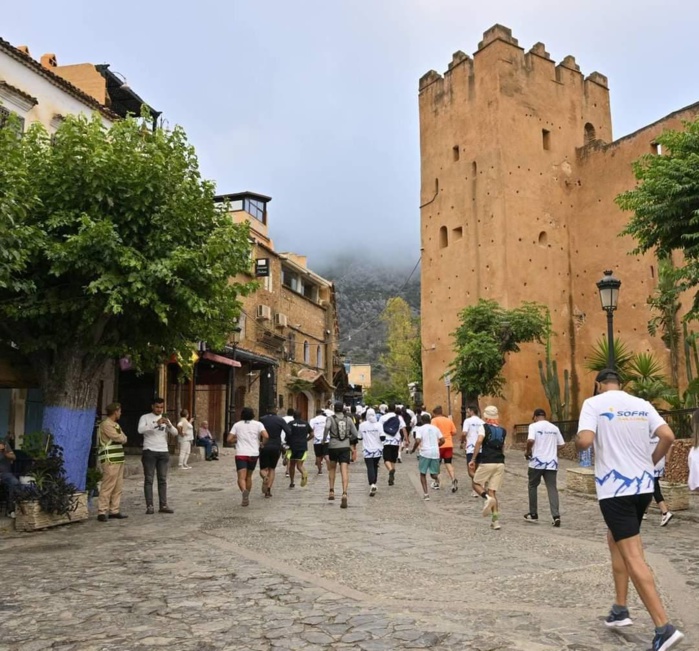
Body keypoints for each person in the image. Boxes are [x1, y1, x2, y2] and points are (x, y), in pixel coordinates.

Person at [576, 368, 684, 651]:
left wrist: (579, 442)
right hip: (643, 488)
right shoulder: (641, 404)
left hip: (615, 490)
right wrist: (650, 462)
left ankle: (664, 627)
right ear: (620, 384)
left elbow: (586, 441)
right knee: (615, 539)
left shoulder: (593, 403)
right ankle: (620, 609)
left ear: (599, 385)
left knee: (633, 555)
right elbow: (668, 436)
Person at [524, 408, 565, 526]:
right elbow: (562, 444)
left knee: (532, 485)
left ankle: (533, 513)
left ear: (535, 417)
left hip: (537, 462)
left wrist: (528, 451)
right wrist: (552, 450)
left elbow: (530, 439)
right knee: (552, 488)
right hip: (551, 462)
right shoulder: (554, 428)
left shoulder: (534, 426)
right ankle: (556, 516)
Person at [469, 405, 506, 530]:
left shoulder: (483, 427)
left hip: (487, 460)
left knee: (476, 483)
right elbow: (502, 447)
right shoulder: (502, 430)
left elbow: (479, 441)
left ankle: (487, 498)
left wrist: (473, 458)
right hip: (500, 462)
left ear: (486, 417)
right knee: (493, 490)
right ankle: (495, 521)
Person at [138, 398, 177, 515]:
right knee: (149, 479)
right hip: (150, 450)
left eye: (161, 407)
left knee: (162, 479)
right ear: (152, 407)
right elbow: (140, 430)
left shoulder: (165, 419)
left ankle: (163, 504)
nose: (159, 409)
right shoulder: (145, 417)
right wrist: (156, 424)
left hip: (163, 451)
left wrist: (169, 425)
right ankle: (149, 506)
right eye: (157, 407)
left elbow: (175, 433)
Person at [228, 407, 268, 506]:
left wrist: (236, 440)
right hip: (253, 453)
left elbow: (229, 439)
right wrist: (262, 444)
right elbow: (266, 436)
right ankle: (247, 495)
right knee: (249, 476)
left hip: (241, 453)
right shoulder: (258, 424)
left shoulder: (237, 425)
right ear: (253, 415)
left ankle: (244, 492)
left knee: (241, 477)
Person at [96, 402, 128, 522]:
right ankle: (102, 510)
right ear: (115, 411)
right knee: (108, 485)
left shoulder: (116, 425)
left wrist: (122, 438)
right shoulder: (106, 424)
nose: (120, 413)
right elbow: (119, 438)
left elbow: (124, 438)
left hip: (119, 458)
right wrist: (122, 438)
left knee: (117, 486)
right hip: (110, 458)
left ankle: (114, 509)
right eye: (119, 411)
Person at [324, 401, 358, 508]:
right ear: (343, 409)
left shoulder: (330, 418)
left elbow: (326, 427)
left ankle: (331, 491)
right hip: (344, 446)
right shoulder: (348, 419)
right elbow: (355, 434)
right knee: (344, 470)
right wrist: (348, 439)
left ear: (334, 409)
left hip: (333, 446)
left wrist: (324, 438)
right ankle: (344, 493)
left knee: (332, 468)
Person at [411, 413, 445, 501]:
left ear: (421, 421)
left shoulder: (420, 429)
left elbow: (418, 440)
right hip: (435, 452)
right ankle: (437, 478)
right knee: (433, 473)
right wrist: (437, 445)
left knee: (422, 473)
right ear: (430, 420)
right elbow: (443, 440)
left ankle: (426, 494)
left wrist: (414, 449)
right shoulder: (436, 428)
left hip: (425, 452)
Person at [259, 406, 291, 498]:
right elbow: (288, 432)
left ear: (267, 410)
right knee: (272, 468)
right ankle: (268, 490)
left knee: (263, 468)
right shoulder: (280, 420)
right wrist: (287, 443)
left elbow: (258, 431)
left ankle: (265, 476)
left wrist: (260, 442)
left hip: (264, 446)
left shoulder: (262, 419)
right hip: (276, 446)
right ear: (276, 411)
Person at [644, 431, 674, 526]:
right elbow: (670, 445)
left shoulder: (643, 431)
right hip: (659, 462)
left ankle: (665, 512)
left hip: (650, 462)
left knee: (654, 487)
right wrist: (667, 460)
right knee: (649, 487)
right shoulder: (660, 431)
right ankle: (644, 512)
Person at [431, 406, 458, 492]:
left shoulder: (434, 420)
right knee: (448, 463)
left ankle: (436, 482)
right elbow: (454, 432)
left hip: (438, 445)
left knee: (436, 464)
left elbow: (432, 431)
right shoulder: (448, 420)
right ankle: (453, 479)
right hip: (449, 444)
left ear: (435, 413)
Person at [379, 403, 407, 487]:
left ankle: (390, 470)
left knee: (386, 459)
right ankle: (392, 474)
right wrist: (406, 439)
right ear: (395, 409)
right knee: (393, 459)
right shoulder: (399, 417)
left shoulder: (383, 417)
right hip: (396, 441)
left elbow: (379, 429)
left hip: (386, 441)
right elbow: (404, 429)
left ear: (387, 409)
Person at [358, 408, 384, 496]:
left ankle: (372, 483)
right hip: (377, 449)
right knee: (375, 466)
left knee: (370, 467)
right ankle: (374, 482)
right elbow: (382, 437)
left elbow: (359, 437)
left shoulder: (362, 425)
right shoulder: (379, 425)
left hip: (367, 450)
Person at [462, 404, 484, 498]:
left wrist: (462, 439)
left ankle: (477, 487)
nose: (467, 413)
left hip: (471, 447)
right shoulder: (482, 422)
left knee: (471, 470)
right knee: (478, 468)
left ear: (471, 411)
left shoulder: (467, 421)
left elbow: (464, 433)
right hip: (481, 448)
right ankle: (478, 488)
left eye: (467, 411)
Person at [286, 411, 313, 488]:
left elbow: (288, 433)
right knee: (299, 465)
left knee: (292, 465)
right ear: (301, 416)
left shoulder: (291, 423)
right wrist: (306, 440)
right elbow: (312, 434)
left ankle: (292, 482)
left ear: (293, 416)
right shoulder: (305, 423)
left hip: (293, 446)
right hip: (302, 446)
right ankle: (303, 472)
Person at [0, 437, 19, 519]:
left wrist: (4, 452)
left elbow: (13, 457)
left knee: (14, 482)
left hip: (5, 474)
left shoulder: (4, 443)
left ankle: (10, 510)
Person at [309, 408, 329, 474]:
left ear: (316, 413)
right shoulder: (326, 419)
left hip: (317, 440)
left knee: (318, 456)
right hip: (326, 439)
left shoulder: (313, 420)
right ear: (321, 413)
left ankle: (320, 470)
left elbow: (310, 429)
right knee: (326, 454)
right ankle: (329, 466)